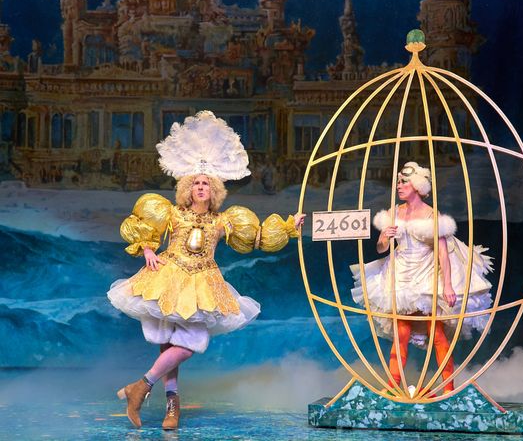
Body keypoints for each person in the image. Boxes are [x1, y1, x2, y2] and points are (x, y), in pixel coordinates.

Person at [107, 111, 304, 429]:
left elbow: (257, 237)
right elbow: (144, 227)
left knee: (189, 343)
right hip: (169, 275)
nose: (201, 187)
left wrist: (289, 227)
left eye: (206, 184)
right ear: (188, 187)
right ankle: (172, 406)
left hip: (203, 282)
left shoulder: (224, 220)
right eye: (196, 183)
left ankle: (140, 387)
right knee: (169, 343)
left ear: (215, 190)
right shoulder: (172, 212)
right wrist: (147, 250)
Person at [350, 162, 493, 394]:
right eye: (398, 182)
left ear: (417, 186)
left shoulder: (431, 215)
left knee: (437, 334)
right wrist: (384, 237)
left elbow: (442, 252)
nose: (399, 186)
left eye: (404, 182)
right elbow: (380, 248)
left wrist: (448, 285)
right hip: (401, 276)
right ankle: (393, 386)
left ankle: (448, 388)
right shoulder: (394, 213)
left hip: (426, 275)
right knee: (401, 333)